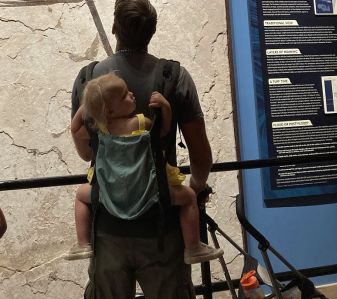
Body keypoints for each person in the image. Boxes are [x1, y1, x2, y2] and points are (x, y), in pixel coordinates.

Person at [70, 0, 214, 299]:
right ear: (152, 30)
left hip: (109, 231)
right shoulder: (174, 77)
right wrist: (194, 193)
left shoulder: (89, 80)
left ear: (114, 28)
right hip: (164, 229)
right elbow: (201, 157)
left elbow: (86, 154)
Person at [68, 73, 222, 265]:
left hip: (111, 195)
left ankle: (83, 243)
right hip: (148, 193)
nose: (131, 94)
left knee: (81, 195)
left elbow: (75, 129)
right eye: (124, 95)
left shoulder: (102, 129)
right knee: (189, 197)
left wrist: (87, 107)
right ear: (109, 111)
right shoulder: (140, 122)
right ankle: (192, 248)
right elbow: (163, 133)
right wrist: (165, 107)